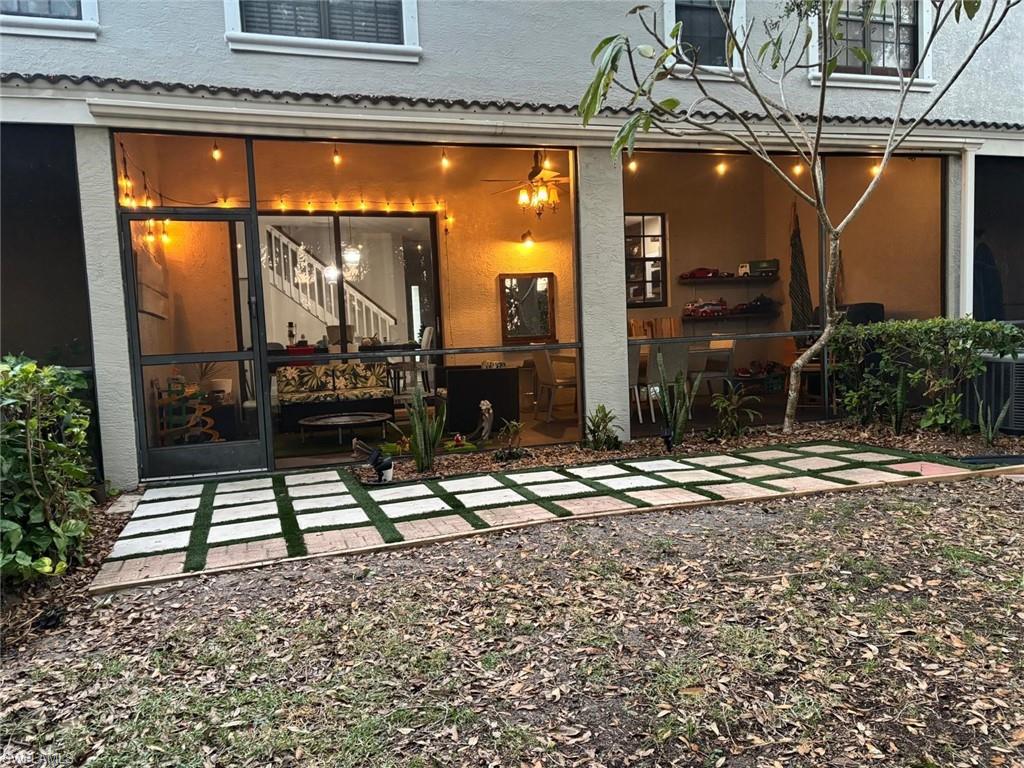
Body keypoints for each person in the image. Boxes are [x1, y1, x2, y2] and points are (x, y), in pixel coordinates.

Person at [973, 228, 1004, 321]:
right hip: (986, 284)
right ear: (982, 236)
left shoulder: (981, 248)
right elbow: (983, 266)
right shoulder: (982, 248)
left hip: (986, 284)